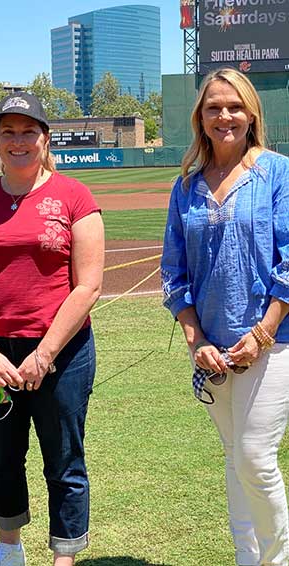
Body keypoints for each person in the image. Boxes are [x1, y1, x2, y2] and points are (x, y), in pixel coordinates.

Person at [0, 92, 104, 566]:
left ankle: (64, 555)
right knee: (1, 458)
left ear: (45, 138)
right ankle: (9, 546)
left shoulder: (75, 196)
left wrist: (44, 353)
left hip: (63, 352)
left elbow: (88, 285)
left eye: (28, 131)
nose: (18, 141)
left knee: (64, 460)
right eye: (7, 132)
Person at [161, 67, 289, 565]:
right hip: (213, 349)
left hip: (273, 343)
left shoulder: (277, 172)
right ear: (201, 117)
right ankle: (246, 558)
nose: (224, 115)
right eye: (214, 107)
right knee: (236, 460)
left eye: (234, 106)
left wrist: (262, 331)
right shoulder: (186, 186)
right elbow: (173, 272)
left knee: (255, 458)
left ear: (251, 112)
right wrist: (196, 340)